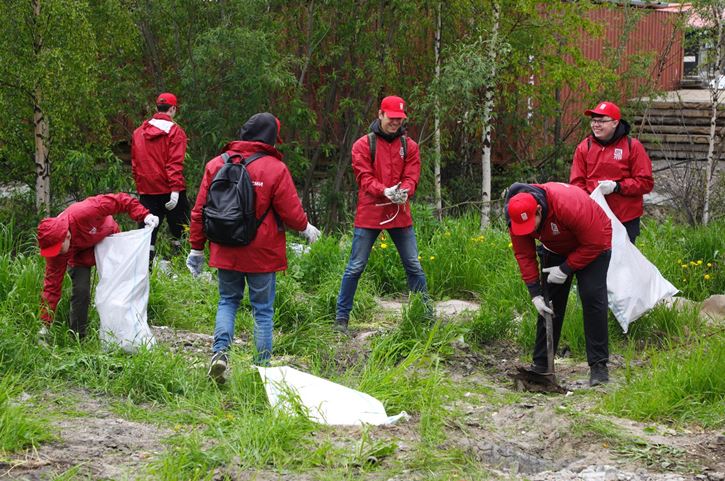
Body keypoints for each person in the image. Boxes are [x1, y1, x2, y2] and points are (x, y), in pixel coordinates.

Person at [186, 112, 320, 382]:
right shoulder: (274, 168)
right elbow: (291, 212)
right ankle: (263, 370)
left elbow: (200, 211)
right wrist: (306, 228)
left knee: (227, 301)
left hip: (226, 249)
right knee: (262, 310)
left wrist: (196, 248)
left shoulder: (216, 164)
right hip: (262, 252)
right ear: (270, 138)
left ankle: (220, 354)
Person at [335, 95, 430, 334]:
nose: (396, 122)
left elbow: (412, 175)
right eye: (392, 118)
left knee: (413, 266)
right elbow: (363, 177)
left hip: (399, 213)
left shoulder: (410, 146)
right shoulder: (362, 145)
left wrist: (406, 190)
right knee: (355, 266)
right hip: (370, 213)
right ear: (380, 115)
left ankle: (425, 316)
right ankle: (341, 319)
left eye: (400, 119)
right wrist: (384, 191)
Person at [504, 182, 612, 386]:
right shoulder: (516, 215)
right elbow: (524, 254)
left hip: (593, 243)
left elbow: (595, 241)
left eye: (531, 225)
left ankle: (599, 366)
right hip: (554, 246)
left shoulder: (567, 205)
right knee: (549, 302)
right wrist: (535, 293)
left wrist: (566, 268)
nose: (527, 231)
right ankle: (542, 364)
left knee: (591, 297)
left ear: (538, 210)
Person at [37, 193, 158, 339]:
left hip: (107, 239)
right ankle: (77, 337)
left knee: (119, 286)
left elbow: (120, 200)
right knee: (81, 291)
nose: (56, 252)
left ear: (66, 236)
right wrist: (45, 324)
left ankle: (125, 329)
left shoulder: (85, 211)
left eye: (57, 248)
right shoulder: (57, 253)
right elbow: (51, 287)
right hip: (80, 256)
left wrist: (144, 215)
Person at [570, 101, 654, 244]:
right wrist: (587, 205)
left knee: (623, 263)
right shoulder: (584, 147)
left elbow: (646, 183)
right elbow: (576, 184)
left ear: (615, 123)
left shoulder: (632, 146)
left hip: (625, 218)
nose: (596, 125)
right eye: (594, 120)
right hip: (594, 218)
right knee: (596, 262)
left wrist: (617, 187)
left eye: (601, 121)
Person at [131, 92, 189, 264]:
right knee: (182, 233)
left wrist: (141, 185)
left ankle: (144, 272)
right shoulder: (175, 132)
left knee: (147, 236)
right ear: (173, 109)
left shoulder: (138, 132)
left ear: (157, 108)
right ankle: (184, 269)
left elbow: (135, 164)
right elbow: (174, 163)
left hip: (147, 191)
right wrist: (176, 190)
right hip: (170, 191)